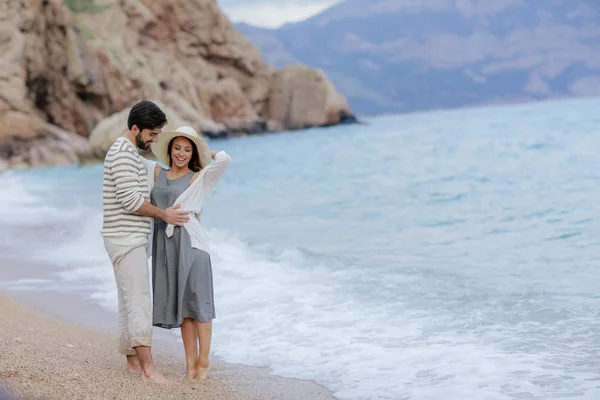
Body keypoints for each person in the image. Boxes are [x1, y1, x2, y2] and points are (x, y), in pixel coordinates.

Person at [101, 100, 190, 384]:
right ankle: (150, 370)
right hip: (125, 238)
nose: (153, 140)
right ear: (135, 128)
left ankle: (132, 362)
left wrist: (198, 156)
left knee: (128, 301)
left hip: (122, 237)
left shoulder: (129, 153)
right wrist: (164, 214)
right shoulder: (122, 155)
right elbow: (130, 201)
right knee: (139, 301)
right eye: (151, 134)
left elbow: (153, 168)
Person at [147, 125, 231, 380]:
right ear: (170, 150)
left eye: (187, 149)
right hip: (166, 244)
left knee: (199, 305)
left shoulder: (198, 177)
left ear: (193, 152)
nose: (181, 153)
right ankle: (190, 364)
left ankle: (204, 361)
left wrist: (206, 151)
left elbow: (225, 160)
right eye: (177, 148)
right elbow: (134, 161)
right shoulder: (157, 172)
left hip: (192, 244)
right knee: (184, 308)